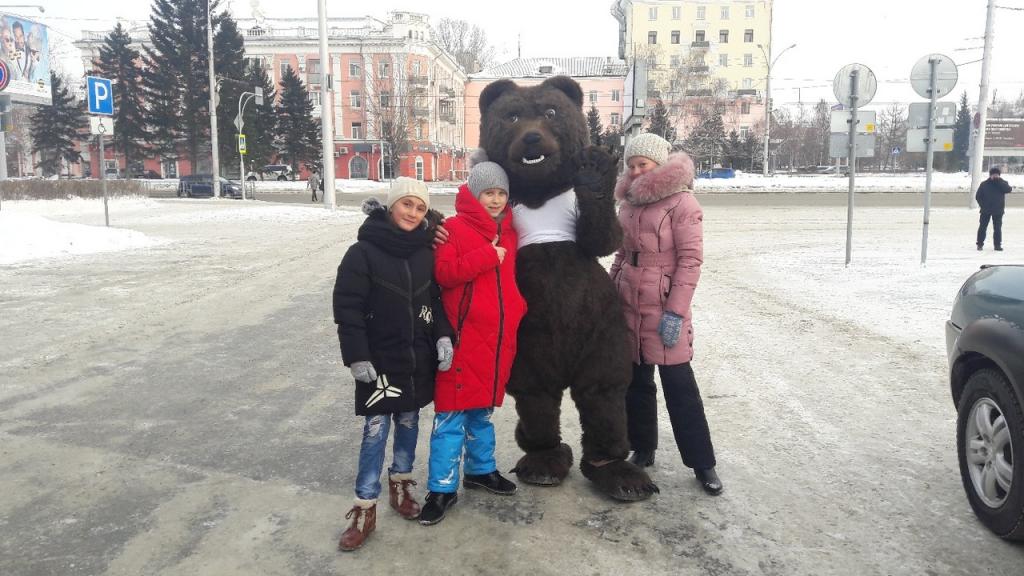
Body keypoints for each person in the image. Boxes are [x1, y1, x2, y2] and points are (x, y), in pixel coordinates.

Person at [332, 177, 454, 551]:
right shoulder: (362, 253)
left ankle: (400, 485)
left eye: (420, 207)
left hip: (414, 359)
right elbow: (347, 307)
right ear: (391, 205)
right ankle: (364, 507)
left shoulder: (424, 252)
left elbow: (435, 302)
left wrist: (443, 336)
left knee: (409, 422)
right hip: (378, 362)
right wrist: (356, 355)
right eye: (406, 204)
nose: (412, 213)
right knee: (374, 431)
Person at [609, 133, 723, 496]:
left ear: (659, 163)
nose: (636, 171)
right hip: (630, 304)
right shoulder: (628, 204)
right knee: (636, 384)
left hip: (664, 305)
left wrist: (675, 312)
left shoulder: (682, 203)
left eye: (642, 164)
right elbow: (622, 255)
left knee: (680, 387)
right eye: (631, 165)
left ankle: (702, 462)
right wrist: (609, 295)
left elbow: (690, 261)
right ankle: (643, 447)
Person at [421, 161, 526, 525]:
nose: (495, 200)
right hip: (463, 339)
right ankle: (441, 488)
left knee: (481, 412)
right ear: (474, 194)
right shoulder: (453, 229)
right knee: (451, 415)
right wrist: (486, 256)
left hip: (497, 341)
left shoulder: (512, 232)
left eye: (501, 193)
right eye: (488, 193)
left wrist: (519, 308)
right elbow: (444, 274)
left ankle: (481, 470)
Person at [976, 166, 1013, 251]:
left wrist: (1000, 181)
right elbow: (978, 196)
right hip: (985, 210)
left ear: (999, 175)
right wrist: (983, 205)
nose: (995, 176)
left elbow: (1008, 189)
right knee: (982, 227)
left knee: (997, 229)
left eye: (997, 175)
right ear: (990, 175)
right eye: (993, 175)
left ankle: (997, 245)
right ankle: (980, 244)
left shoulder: (1002, 183)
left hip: (998, 210)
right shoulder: (984, 184)